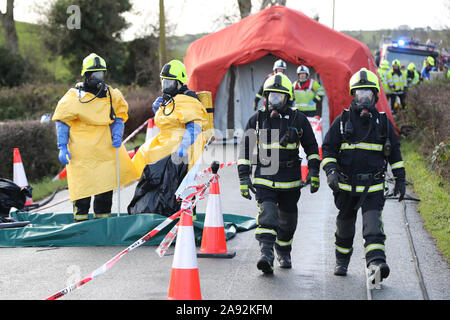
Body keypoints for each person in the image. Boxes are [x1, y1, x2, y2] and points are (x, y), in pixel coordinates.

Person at [321, 67, 406, 282]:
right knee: (345, 227)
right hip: (346, 189)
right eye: (360, 94)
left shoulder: (383, 123)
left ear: (375, 96)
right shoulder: (342, 121)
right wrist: (331, 171)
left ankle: (376, 265)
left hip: (373, 189)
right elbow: (329, 148)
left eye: (368, 94)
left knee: (373, 226)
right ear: (353, 95)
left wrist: (400, 179)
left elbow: (395, 154)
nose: (364, 99)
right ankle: (342, 261)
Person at [238, 72, 320, 274]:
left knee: (288, 222)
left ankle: (283, 251)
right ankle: (266, 254)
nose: (274, 101)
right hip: (265, 178)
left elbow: (311, 146)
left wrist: (314, 172)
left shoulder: (298, 119)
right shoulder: (256, 120)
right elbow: (245, 150)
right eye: (271, 96)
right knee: (267, 213)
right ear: (265, 97)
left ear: (287, 98)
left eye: (279, 97)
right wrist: (243, 177)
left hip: (290, 180)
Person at [52, 53, 139, 222]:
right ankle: (81, 223)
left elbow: (118, 117)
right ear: (86, 75)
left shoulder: (111, 95)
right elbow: (62, 122)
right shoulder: (72, 98)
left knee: (105, 188)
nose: (98, 77)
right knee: (82, 191)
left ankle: (102, 223)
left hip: (105, 151)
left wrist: (117, 133)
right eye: (94, 74)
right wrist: (62, 147)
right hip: (81, 154)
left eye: (101, 73)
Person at [131, 59, 208, 176]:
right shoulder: (170, 99)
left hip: (183, 146)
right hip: (167, 142)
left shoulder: (189, 100)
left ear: (179, 82)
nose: (166, 86)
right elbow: (168, 120)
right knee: (143, 154)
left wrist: (183, 146)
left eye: (169, 83)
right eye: (164, 82)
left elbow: (194, 127)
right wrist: (158, 110)